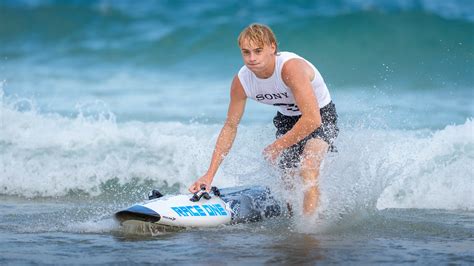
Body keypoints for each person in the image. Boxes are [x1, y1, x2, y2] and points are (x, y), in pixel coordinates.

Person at [188, 23, 339, 215]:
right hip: (287, 119)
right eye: (246, 52)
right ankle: (294, 222)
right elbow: (230, 126)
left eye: (258, 51)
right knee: (288, 180)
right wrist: (209, 176)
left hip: (320, 115)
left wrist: (278, 145)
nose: (252, 58)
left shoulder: (290, 68)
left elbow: (312, 119)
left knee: (307, 169)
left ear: (272, 48)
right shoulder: (242, 82)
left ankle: (310, 231)